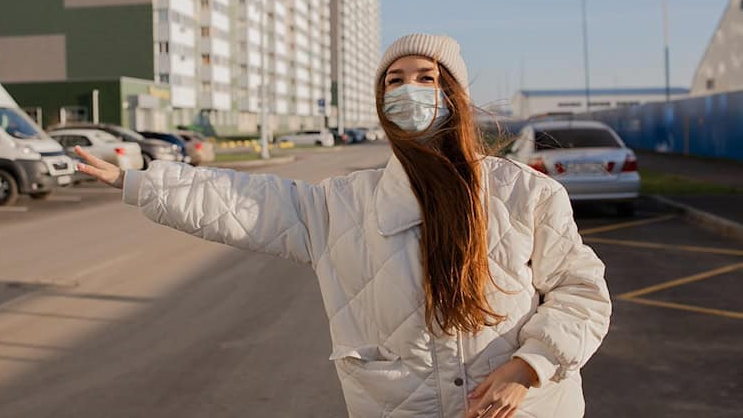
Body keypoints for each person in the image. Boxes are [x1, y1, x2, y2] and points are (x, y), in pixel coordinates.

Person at [75, 33, 612, 418]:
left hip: (531, 408)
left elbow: (582, 295)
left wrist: (529, 367)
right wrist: (142, 182)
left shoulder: (525, 192)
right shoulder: (343, 203)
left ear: (453, 94)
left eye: (426, 78)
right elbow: (238, 200)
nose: (409, 89)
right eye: (395, 81)